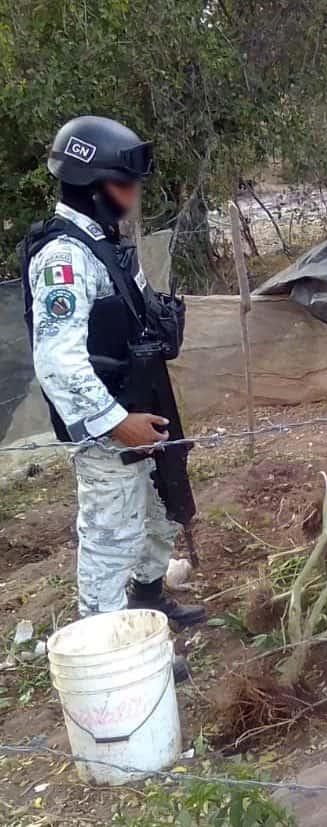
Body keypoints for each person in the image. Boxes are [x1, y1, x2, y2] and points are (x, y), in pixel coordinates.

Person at [20, 116, 205, 627]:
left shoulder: (109, 245)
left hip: (145, 401)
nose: (134, 195)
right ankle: (110, 646)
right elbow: (57, 361)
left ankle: (149, 602)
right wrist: (116, 423)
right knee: (111, 538)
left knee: (163, 511)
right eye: (126, 185)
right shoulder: (64, 257)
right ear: (93, 188)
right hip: (108, 430)